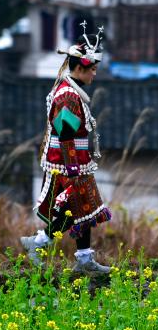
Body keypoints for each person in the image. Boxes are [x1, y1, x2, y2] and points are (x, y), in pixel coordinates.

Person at [20, 22, 112, 274]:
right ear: (81, 67)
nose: (94, 74)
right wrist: (72, 166)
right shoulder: (68, 96)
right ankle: (38, 243)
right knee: (71, 209)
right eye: (92, 69)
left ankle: (83, 259)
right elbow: (65, 133)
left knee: (86, 210)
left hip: (76, 161)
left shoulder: (73, 91)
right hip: (66, 163)